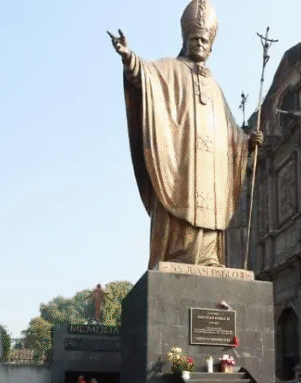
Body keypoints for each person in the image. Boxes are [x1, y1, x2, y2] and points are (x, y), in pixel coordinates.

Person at [110, 0, 263, 268]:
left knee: (211, 207)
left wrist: (246, 142)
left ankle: (208, 259)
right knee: (178, 201)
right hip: (181, 159)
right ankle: (176, 255)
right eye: (195, 39)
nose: (200, 44)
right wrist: (128, 56)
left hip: (211, 171)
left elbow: (229, 129)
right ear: (185, 39)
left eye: (204, 40)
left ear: (212, 46)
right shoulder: (170, 68)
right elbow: (144, 75)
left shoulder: (215, 87)